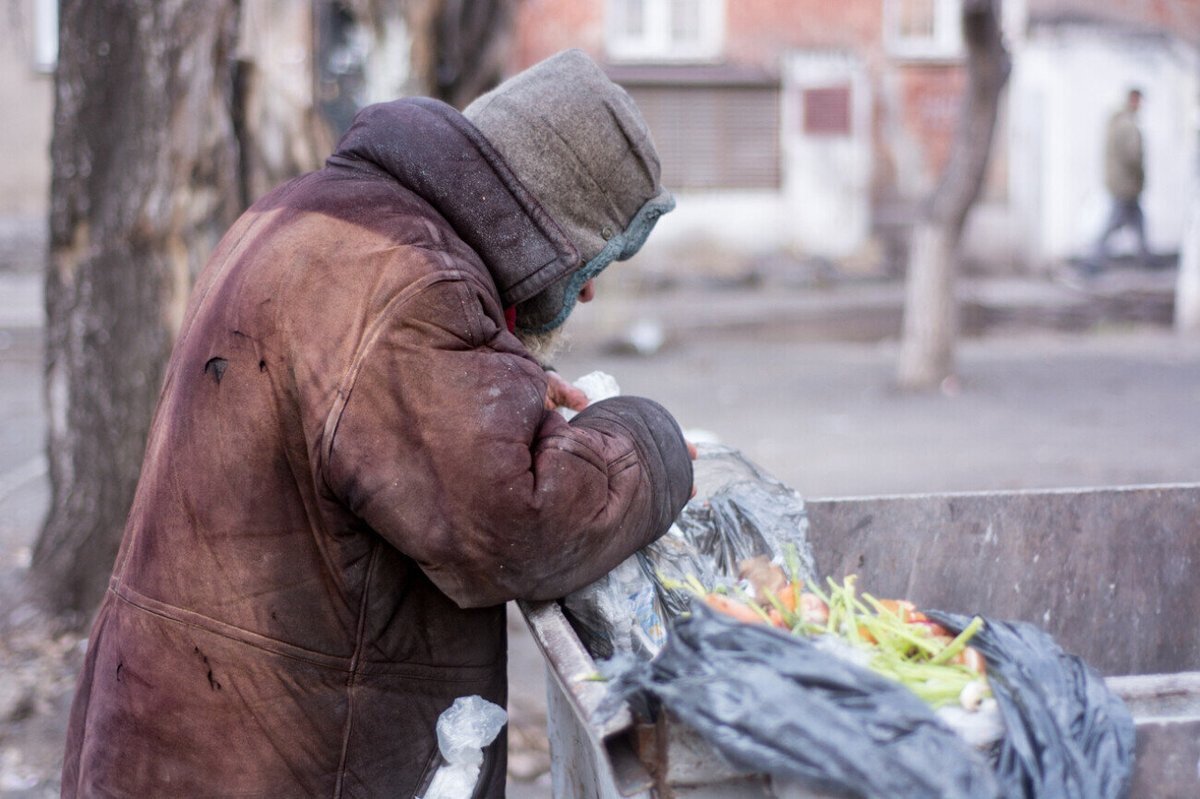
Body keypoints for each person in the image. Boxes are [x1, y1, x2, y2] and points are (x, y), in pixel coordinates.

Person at [60, 49, 694, 798]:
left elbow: (358, 419)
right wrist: (650, 442)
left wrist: (503, 384)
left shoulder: (321, 212)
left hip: (177, 730)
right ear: (547, 225)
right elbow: (517, 526)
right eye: (595, 261)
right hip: (270, 760)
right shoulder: (416, 285)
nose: (586, 296)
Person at [1090, 88, 1151, 271]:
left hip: (1121, 183)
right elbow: (1132, 155)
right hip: (1126, 185)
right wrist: (1139, 175)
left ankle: (1146, 258)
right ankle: (1094, 259)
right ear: (1133, 100)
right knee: (1113, 223)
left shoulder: (1116, 121)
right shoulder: (1127, 124)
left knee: (1137, 222)